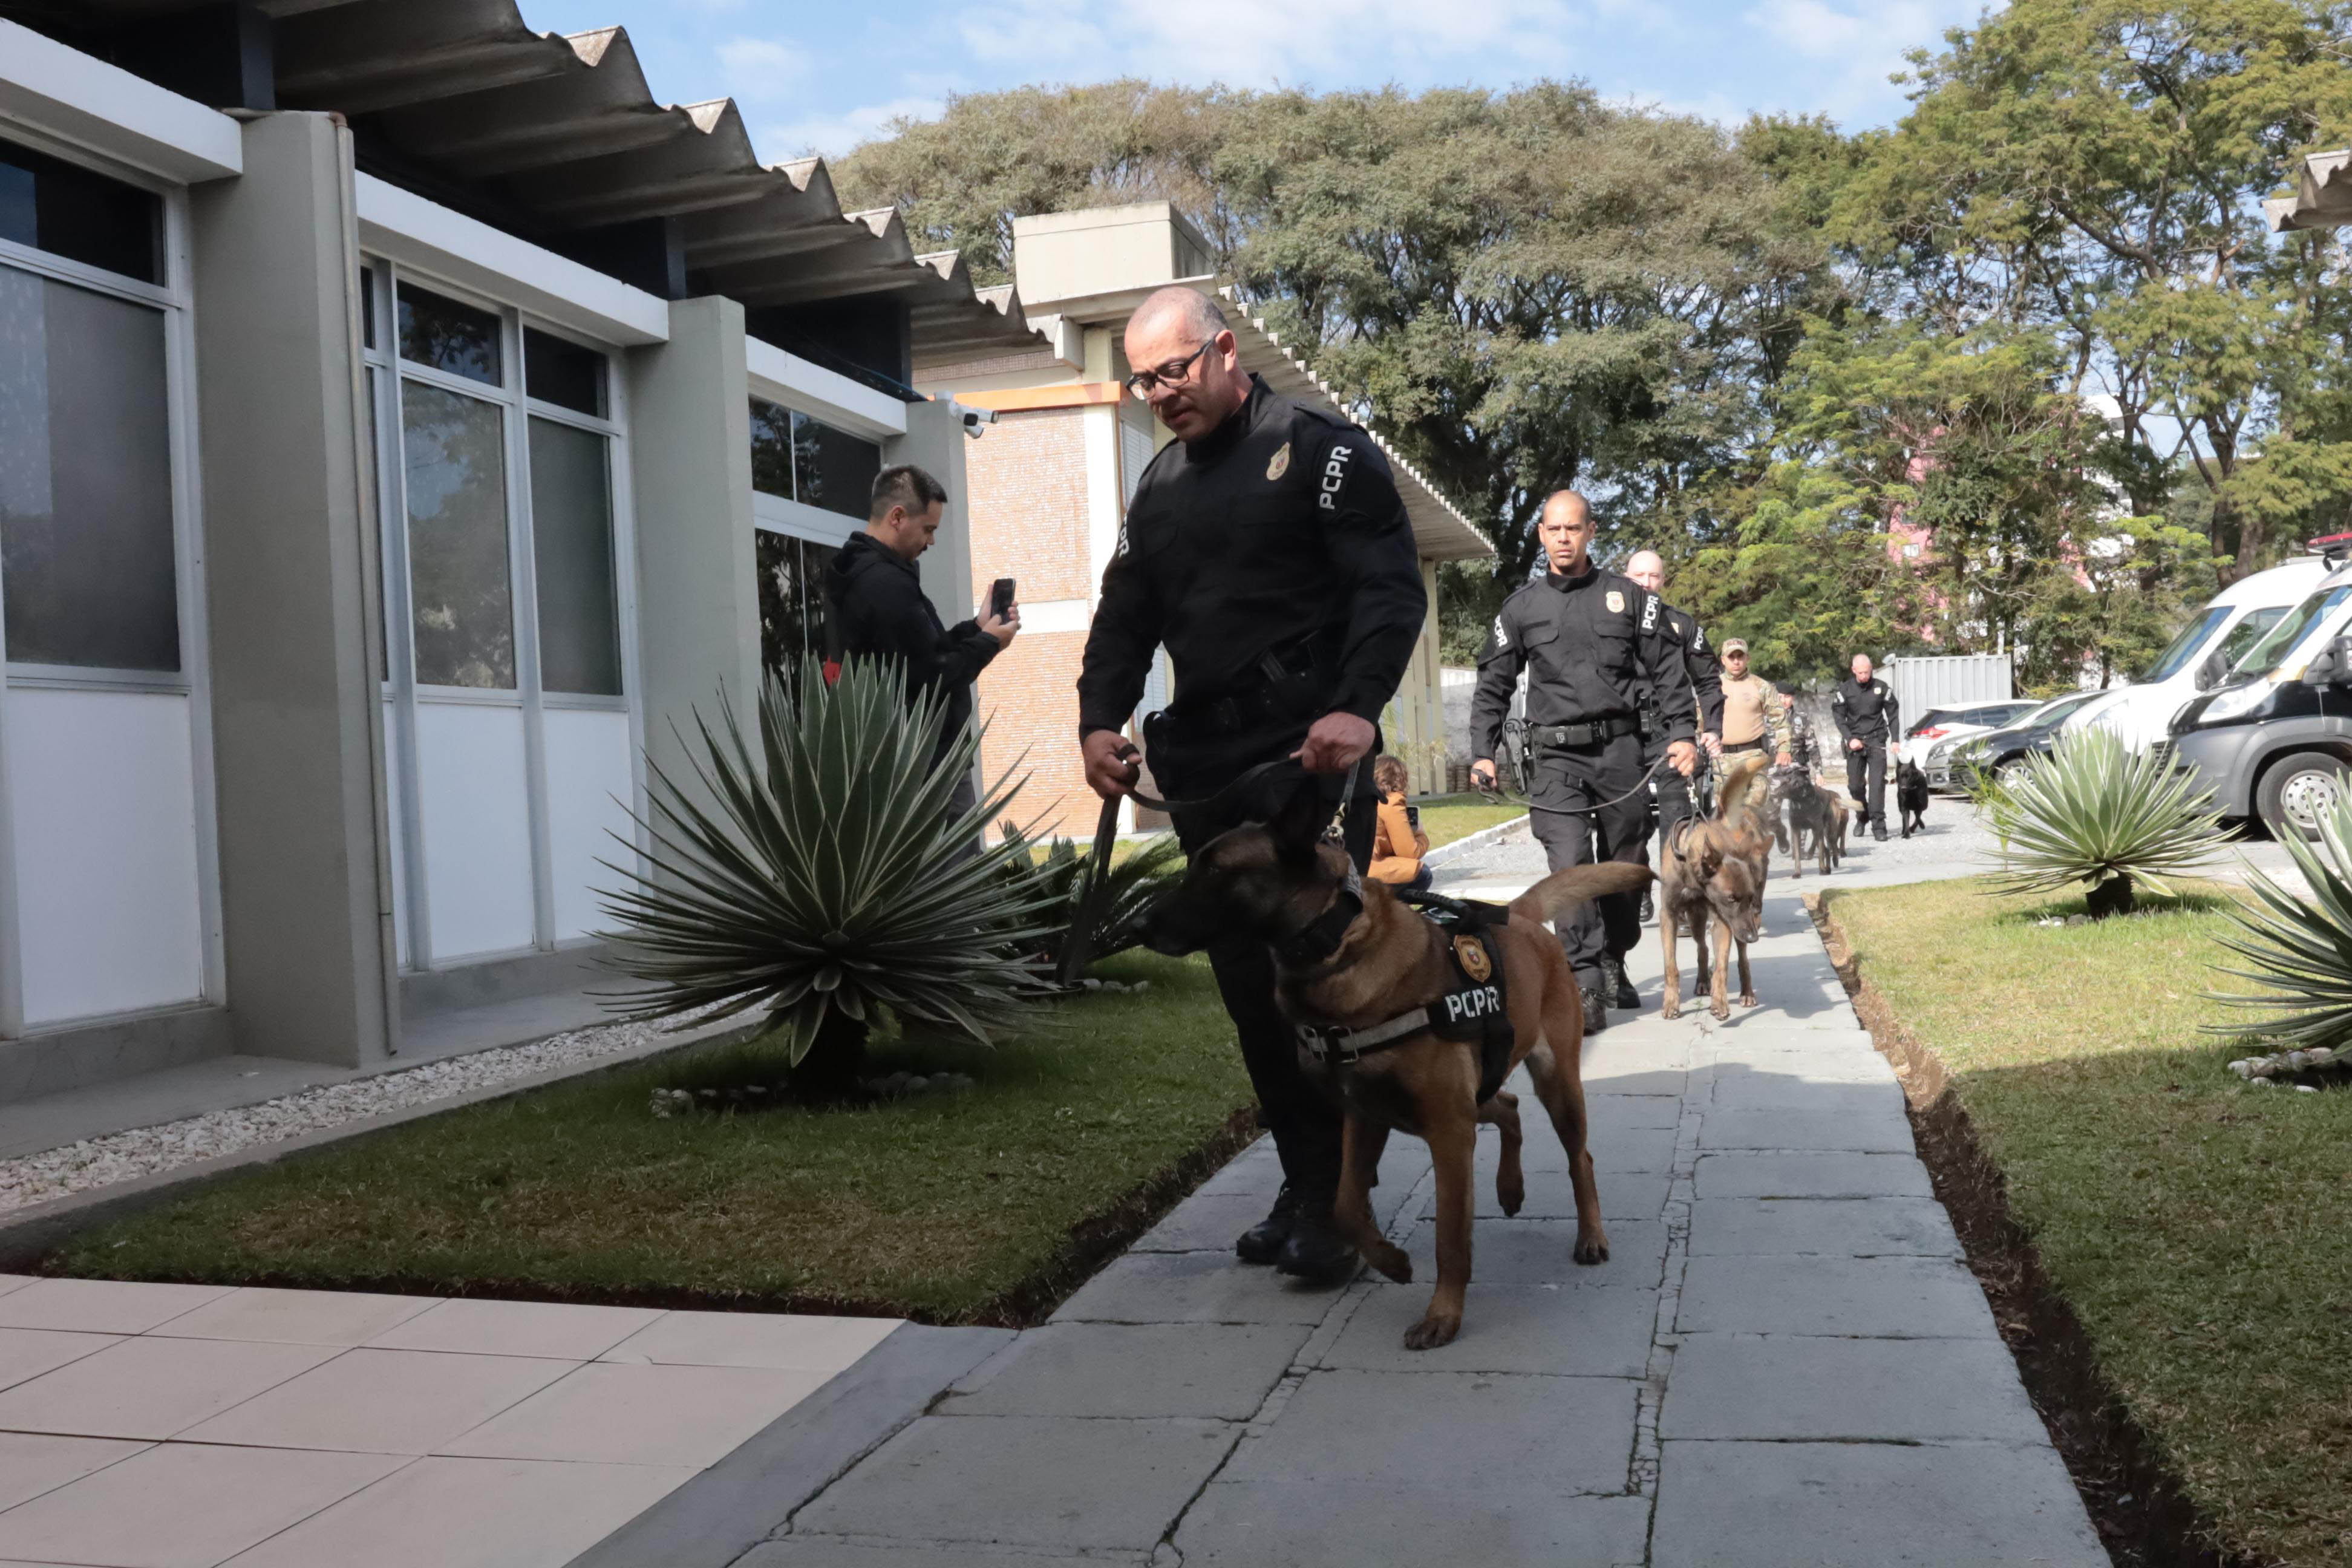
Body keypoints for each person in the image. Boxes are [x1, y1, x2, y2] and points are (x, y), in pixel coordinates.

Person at [1077, 286, 1428, 1282]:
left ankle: (1337, 1198)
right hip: (1206, 770)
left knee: (1323, 985)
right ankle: (1307, 1180)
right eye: (1141, 378)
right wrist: (1098, 721)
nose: (1157, 393)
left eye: (1172, 371)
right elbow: (1121, 616)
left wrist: (1358, 706)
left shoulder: (1322, 455)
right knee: (1250, 995)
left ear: (1224, 350)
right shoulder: (1159, 488)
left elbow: (1387, 590)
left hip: (1304, 763)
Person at [1470, 494, 1698, 1031]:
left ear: (1591, 531)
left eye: (1574, 528)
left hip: (1621, 751)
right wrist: (1483, 751)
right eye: (1554, 530)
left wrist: (1683, 734)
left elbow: (1668, 669)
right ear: (1541, 535)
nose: (1564, 538)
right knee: (1571, 867)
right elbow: (1493, 685)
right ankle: (1584, 983)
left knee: (1622, 866)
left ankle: (1615, 953)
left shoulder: (1628, 599)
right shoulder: (1522, 608)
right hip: (1553, 758)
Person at [824, 465, 1018, 834]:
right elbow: (933, 675)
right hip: (924, 764)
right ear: (897, 517)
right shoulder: (886, 584)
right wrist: (990, 642)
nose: (930, 542)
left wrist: (976, 629)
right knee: (952, 875)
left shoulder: (857, 573)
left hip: (895, 761)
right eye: (928, 529)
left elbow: (920, 654)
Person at [1622, 550, 1722, 935]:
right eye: (1638, 577)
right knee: (1627, 824)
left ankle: (1677, 900)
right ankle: (1638, 886)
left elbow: (1708, 681)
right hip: (1623, 736)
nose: (1646, 583)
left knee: (1675, 820)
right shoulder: (1609, 625)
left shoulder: (1681, 625)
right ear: (1626, 578)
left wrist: (1712, 727)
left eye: (1654, 576)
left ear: (1663, 580)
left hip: (1672, 734)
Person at [1831, 653, 1900, 840]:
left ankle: (1879, 826)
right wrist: (1849, 738)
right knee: (1855, 786)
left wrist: (1895, 739)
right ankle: (1862, 818)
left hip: (1876, 741)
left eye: (1867, 672)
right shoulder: (1844, 690)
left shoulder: (1881, 687)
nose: (1864, 676)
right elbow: (1839, 718)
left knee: (1877, 785)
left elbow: (1893, 714)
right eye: (1861, 673)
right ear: (1853, 671)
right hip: (1855, 743)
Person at [1716, 639, 1794, 766]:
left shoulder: (1762, 686)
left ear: (1748, 658)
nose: (1736, 662)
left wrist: (1784, 749)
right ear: (1723, 660)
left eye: (1740, 656)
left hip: (1754, 757)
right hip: (1722, 760)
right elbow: (1700, 723)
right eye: (1731, 657)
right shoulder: (1712, 688)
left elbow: (1780, 720)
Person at [1368, 754, 1432, 890]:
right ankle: (1394, 910)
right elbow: (1410, 853)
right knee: (1422, 873)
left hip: (1351, 866)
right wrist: (1421, 834)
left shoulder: (1366, 798)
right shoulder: (1391, 802)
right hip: (1371, 871)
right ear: (1401, 779)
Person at [1776, 681, 1821, 773]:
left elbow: (1812, 746)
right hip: (1774, 772)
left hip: (1798, 770)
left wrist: (1818, 772)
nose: (1783, 701)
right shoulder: (1765, 720)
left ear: (1792, 698)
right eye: (1780, 697)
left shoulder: (1802, 719)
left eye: (1787, 697)